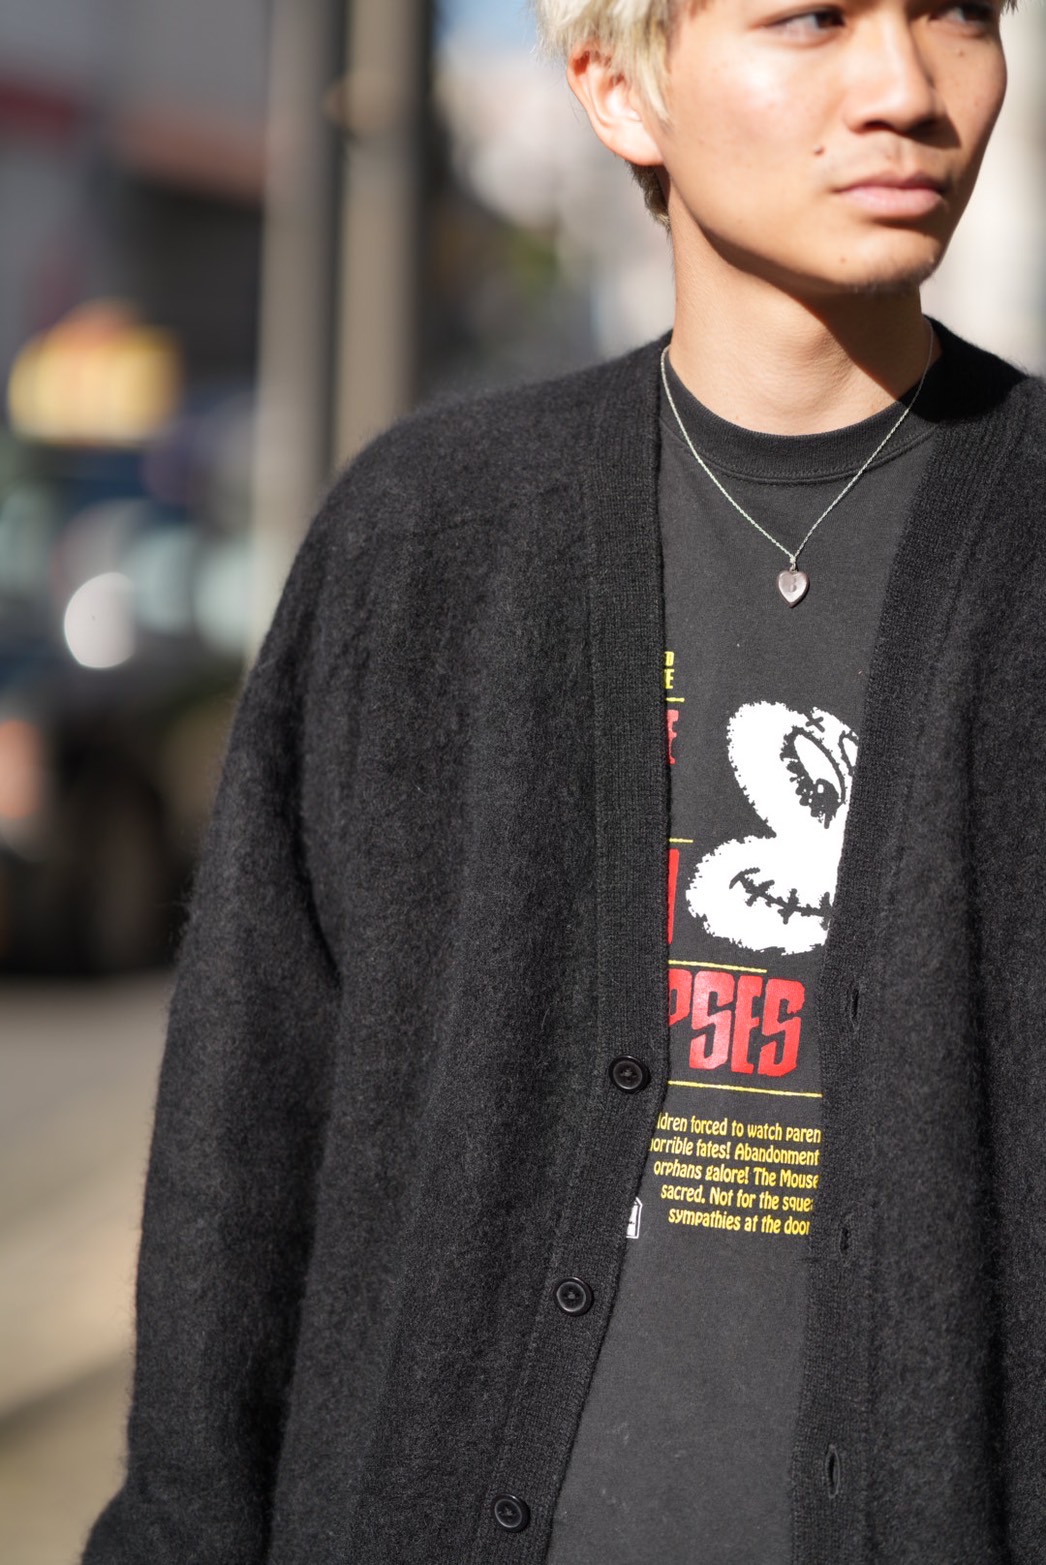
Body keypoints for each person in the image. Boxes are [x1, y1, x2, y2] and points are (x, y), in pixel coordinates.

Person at [84, 1, 1046, 1561]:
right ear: (618, 89)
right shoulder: (431, 536)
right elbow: (241, 1148)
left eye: (955, 13)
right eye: (812, 17)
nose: (903, 87)